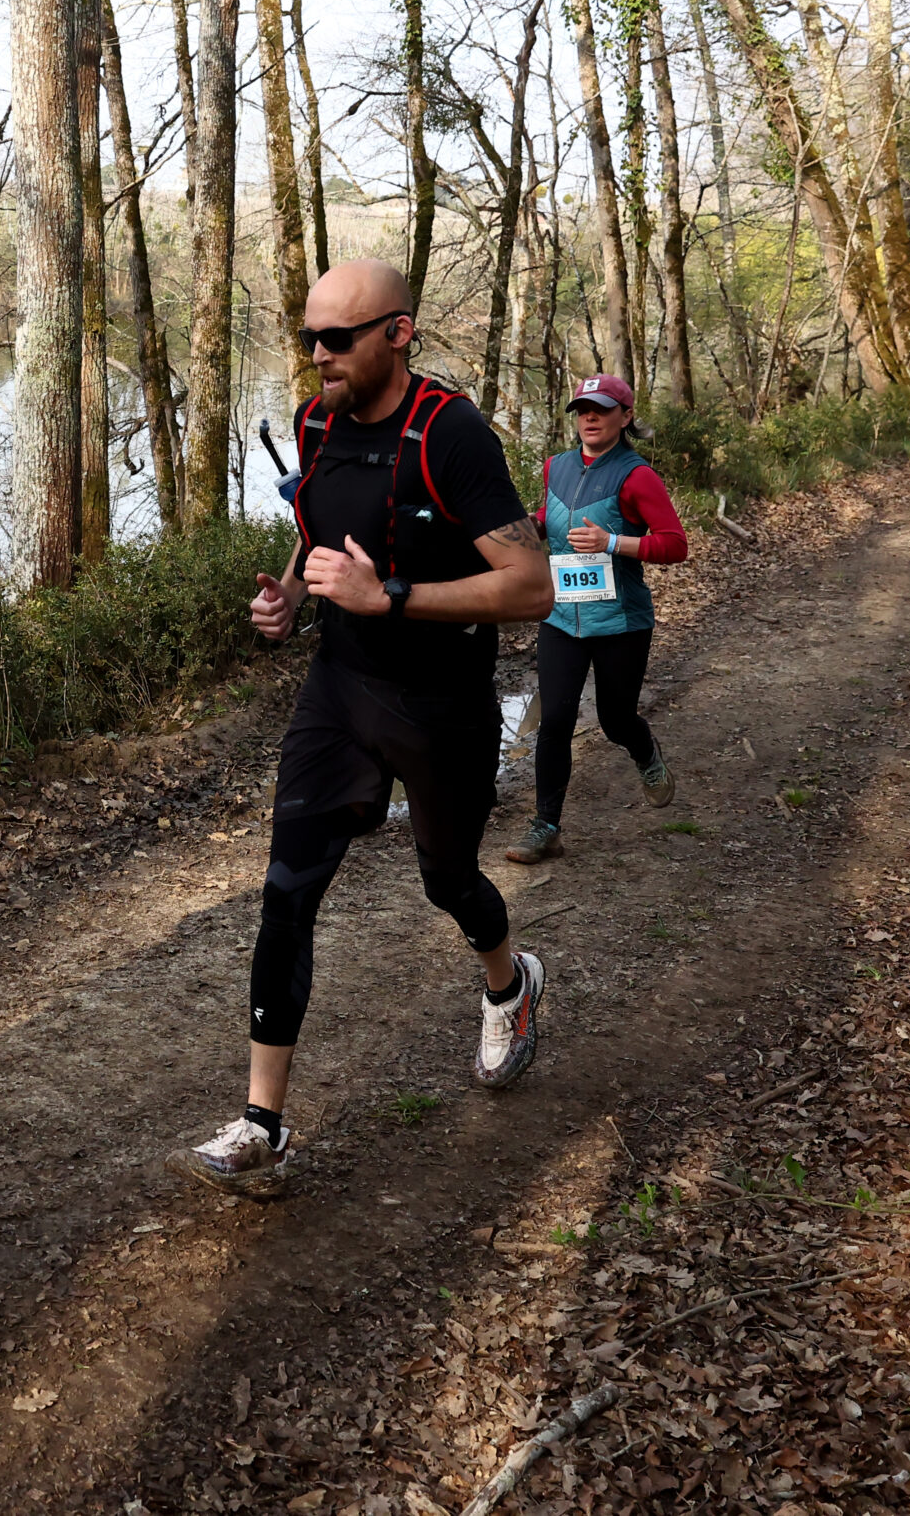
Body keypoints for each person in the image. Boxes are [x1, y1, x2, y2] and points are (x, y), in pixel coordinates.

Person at [165, 259, 554, 1200]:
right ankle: (263, 1124)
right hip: (338, 692)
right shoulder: (316, 424)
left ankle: (510, 984)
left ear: (398, 333)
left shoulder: (451, 434)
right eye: (308, 336)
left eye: (336, 338)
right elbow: (318, 535)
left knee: (448, 880)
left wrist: (393, 596)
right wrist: (289, 597)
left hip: (441, 703)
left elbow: (532, 586)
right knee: (286, 893)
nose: (317, 354)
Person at [504, 374, 690, 865]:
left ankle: (644, 750)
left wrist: (612, 542)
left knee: (615, 719)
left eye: (602, 409)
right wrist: (522, 530)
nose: (590, 416)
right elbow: (551, 514)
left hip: (620, 622)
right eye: (582, 409)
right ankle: (545, 828)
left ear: (625, 417)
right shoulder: (557, 466)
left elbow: (675, 544)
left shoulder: (638, 476)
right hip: (561, 616)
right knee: (555, 720)